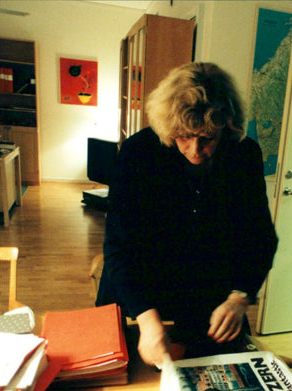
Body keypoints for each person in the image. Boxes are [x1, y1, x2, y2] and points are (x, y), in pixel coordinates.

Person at [97, 62, 278, 368]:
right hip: (140, 296)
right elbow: (120, 247)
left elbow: (260, 238)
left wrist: (239, 297)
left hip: (207, 301)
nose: (195, 150)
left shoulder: (243, 155)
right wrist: (147, 318)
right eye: (183, 136)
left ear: (225, 126)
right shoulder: (137, 153)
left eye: (207, 138)